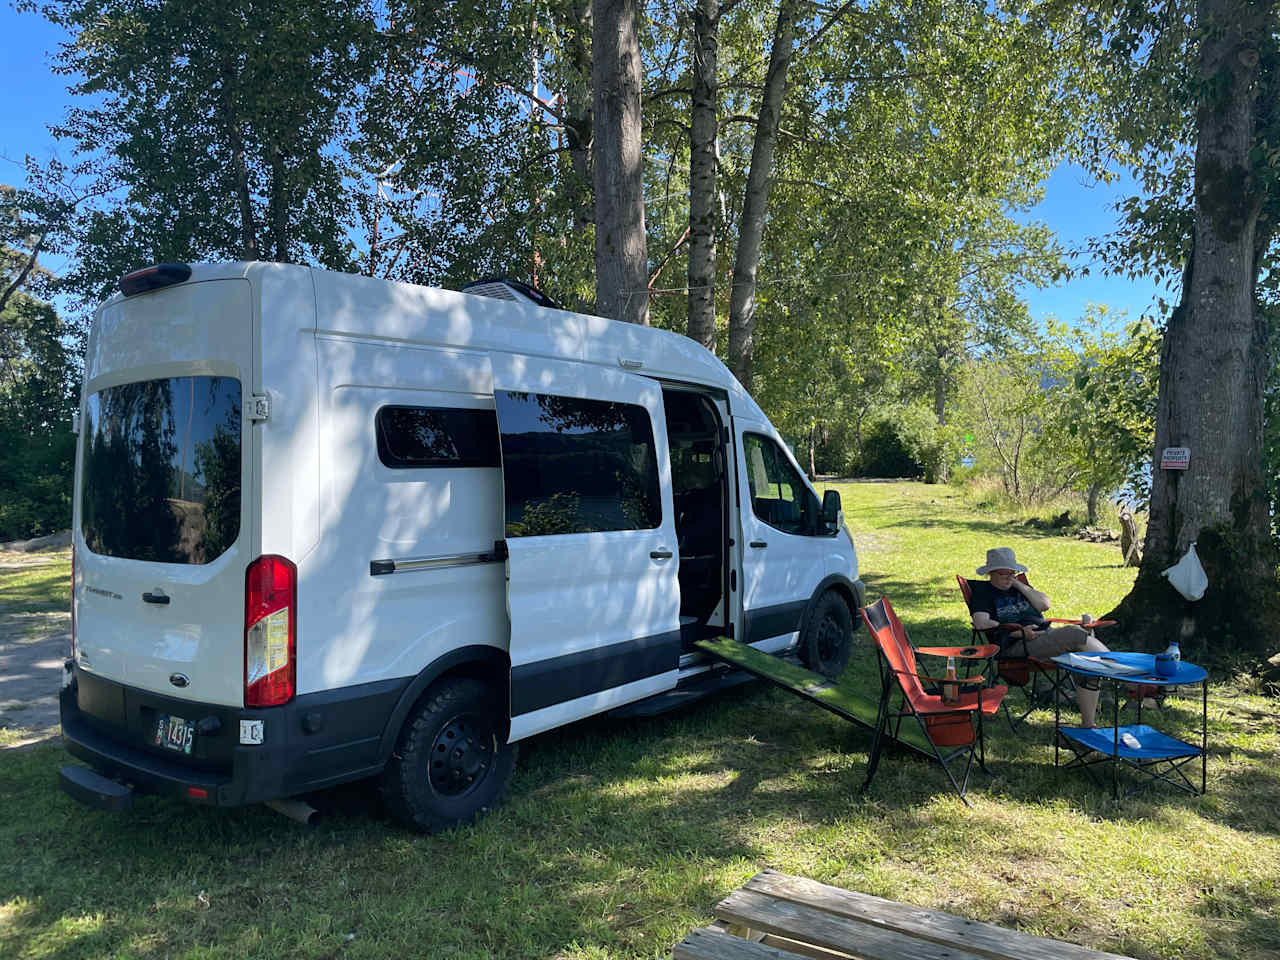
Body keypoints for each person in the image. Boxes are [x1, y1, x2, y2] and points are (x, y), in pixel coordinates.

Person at [969, 546, 1108, 727]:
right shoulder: (983, 593)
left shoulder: (1019, 587)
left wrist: (1019, 584)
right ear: (991, 573)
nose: (1008, 578)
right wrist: (1017, 632)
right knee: (1074, 634)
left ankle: (1088, 725)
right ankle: (1122, 675)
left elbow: (1044, 605)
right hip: (1019, 645)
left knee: (1087, 661)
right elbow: (981, 622)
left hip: (1045, 637)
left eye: (1012, 573)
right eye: (1004, 574)